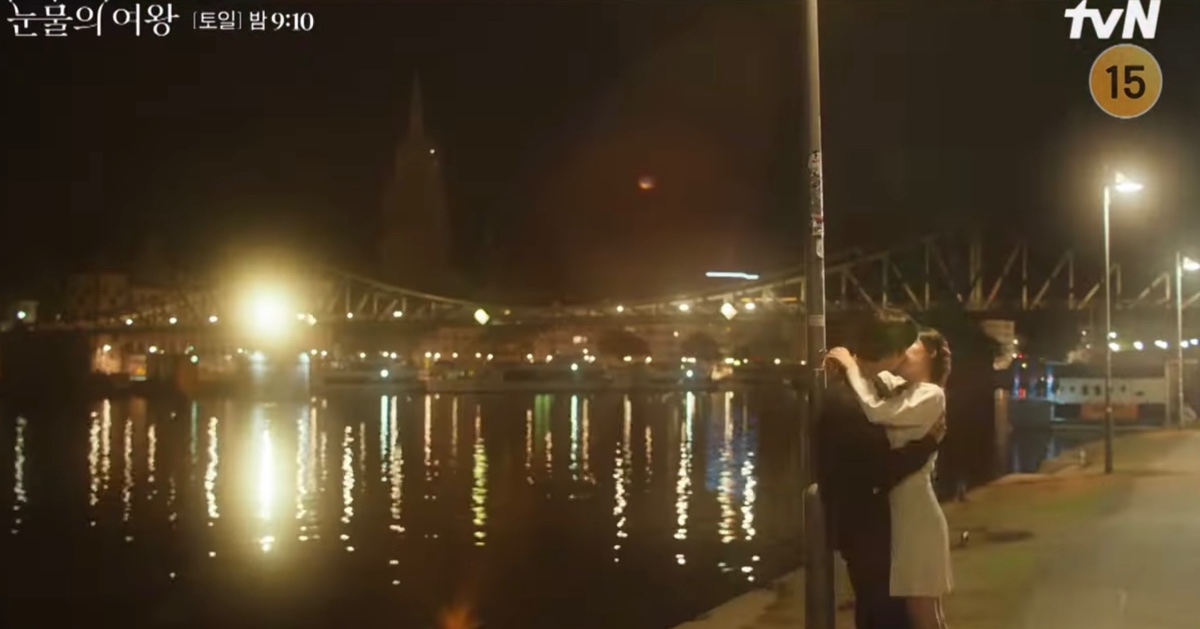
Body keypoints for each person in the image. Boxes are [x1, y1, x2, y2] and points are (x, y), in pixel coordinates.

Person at [815, 308, 946, 629]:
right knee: (885, 614)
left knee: (901, 612)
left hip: (881, 524)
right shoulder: (851, 401)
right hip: (867, 529)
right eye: (906, 349)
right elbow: (878, 470)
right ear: (894, 353)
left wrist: (848, 362)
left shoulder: (865, 389)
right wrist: (929, 443)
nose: (906, 358)